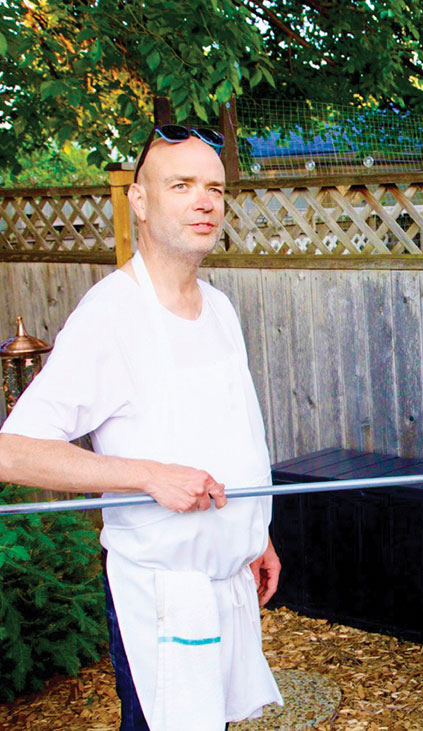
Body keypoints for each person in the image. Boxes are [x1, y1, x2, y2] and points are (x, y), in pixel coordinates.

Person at [0, 126, 283, 730]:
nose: (205, 202)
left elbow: (233, 433)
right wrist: (146, 475)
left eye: (215, 188)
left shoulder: (221, 307)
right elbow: (13, 452)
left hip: (227, 581)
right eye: (181, 185)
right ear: (141, 201)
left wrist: (256, 534)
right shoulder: (112, 316)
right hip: (162, 600)